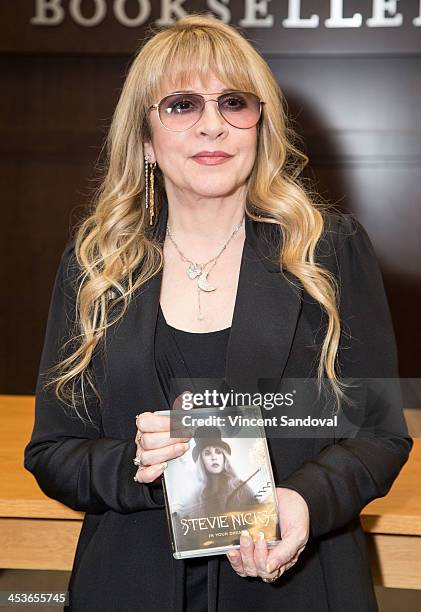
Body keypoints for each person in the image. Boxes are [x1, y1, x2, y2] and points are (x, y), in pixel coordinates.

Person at [24, 13, 412, 612]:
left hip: (298, 586)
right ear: (147, 141)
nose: (213, 126)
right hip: (130, 585)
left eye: (234, 102)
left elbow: (379, 431)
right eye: (181, 105)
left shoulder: (327, 250)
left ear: (260, 126)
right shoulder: (96, 268)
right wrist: (138, 464)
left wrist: (305, 500)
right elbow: (53, 451)